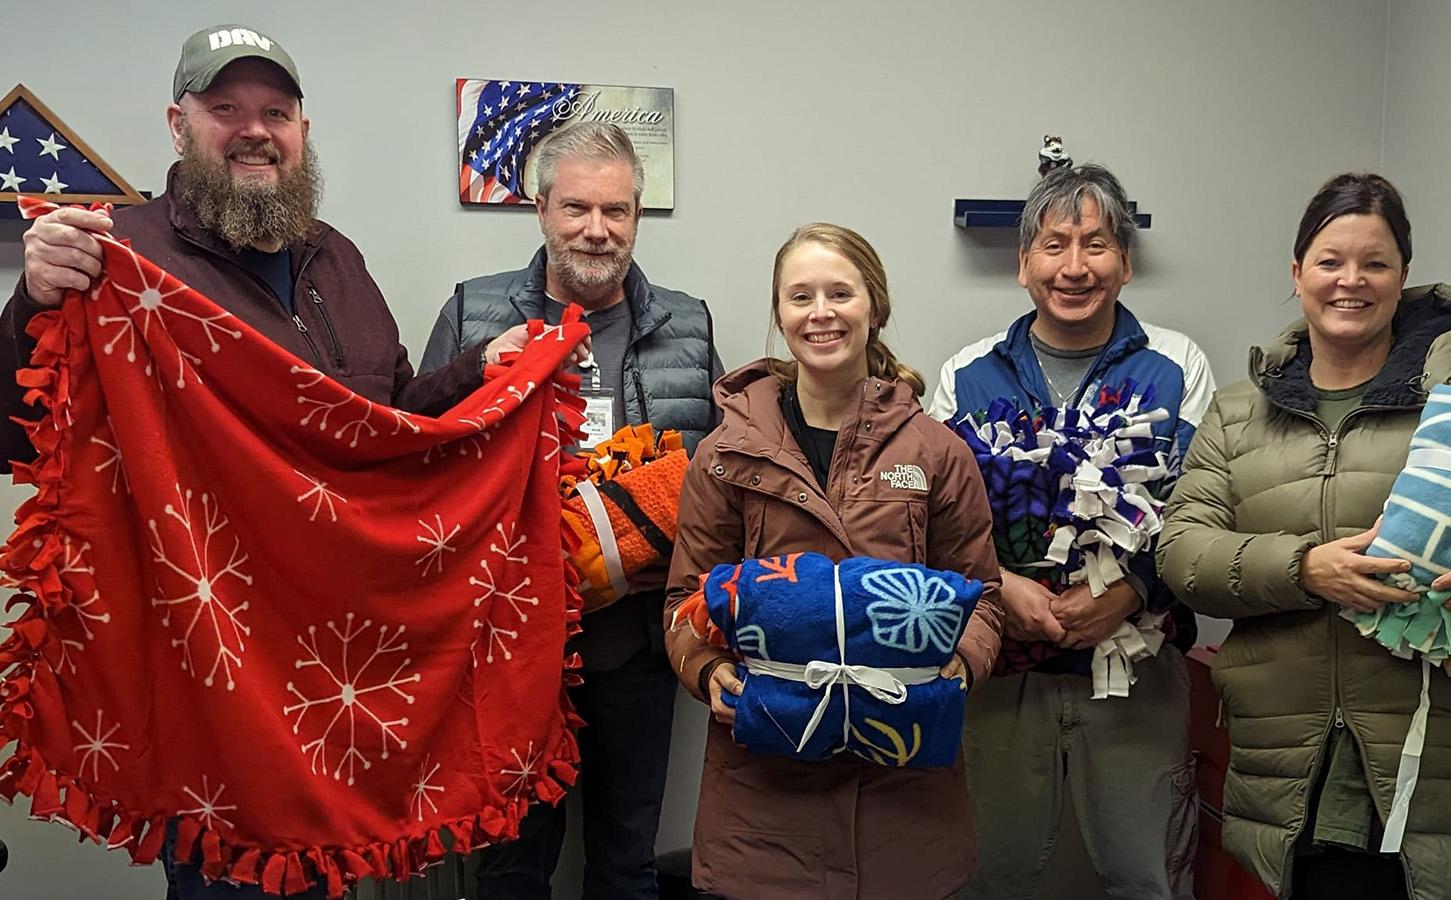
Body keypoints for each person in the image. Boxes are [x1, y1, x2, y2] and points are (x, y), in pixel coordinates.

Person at [0, 24, 539, 899]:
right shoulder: (118, 253)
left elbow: (383, 420)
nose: (256, 130)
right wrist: (34, 301)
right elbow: (18, 435)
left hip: (345, 664)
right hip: (217, 683)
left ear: (302, 129)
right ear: (179, 124)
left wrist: (482, 372)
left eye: (275, 112)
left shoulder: (337, 256)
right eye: (227, 109)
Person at [1157, 172, 1451, 900]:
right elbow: (1181, 551)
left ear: (1403, 276)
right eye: (1330, 262)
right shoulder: (1240, 413)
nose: (1350, 282)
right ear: (1297, 272)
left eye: (1376, 263)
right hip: (1301, 769)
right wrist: (1302, 569)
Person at [419, 122, 721, 900]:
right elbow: (421, 456)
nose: (597, 229)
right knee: (512, 866)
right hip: (510, 647)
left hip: (639, 642)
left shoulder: (688, 324)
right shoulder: (473, 313)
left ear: (638, 217)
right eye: (577, 208)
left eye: (616, 210)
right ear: (542, 210)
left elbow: (724, 476)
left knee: (626, 860)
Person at [663, 223, 1003, 899]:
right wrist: (708, 671)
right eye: (800, 296)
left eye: (840, 293)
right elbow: (683, 604)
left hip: (904, 805)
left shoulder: (937, 454)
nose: (820, 312)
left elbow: (983, 596)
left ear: (874, 306)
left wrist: (959, 668)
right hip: (763, 802)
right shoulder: (726, 457)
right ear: (780, 315)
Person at [927, 164, 1211, 900]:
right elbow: (934, 521)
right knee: (986, 874)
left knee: (1147, 875)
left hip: (1135, 676)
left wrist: (1130, 592)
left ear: (1126, 260)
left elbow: (1201, 510)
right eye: (1055, 245)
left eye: (1096, 244)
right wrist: (1001, 586)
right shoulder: (966, 373)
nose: (1075, 267)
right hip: (999, 674)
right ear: (1024, 263)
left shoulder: (1178, 366)